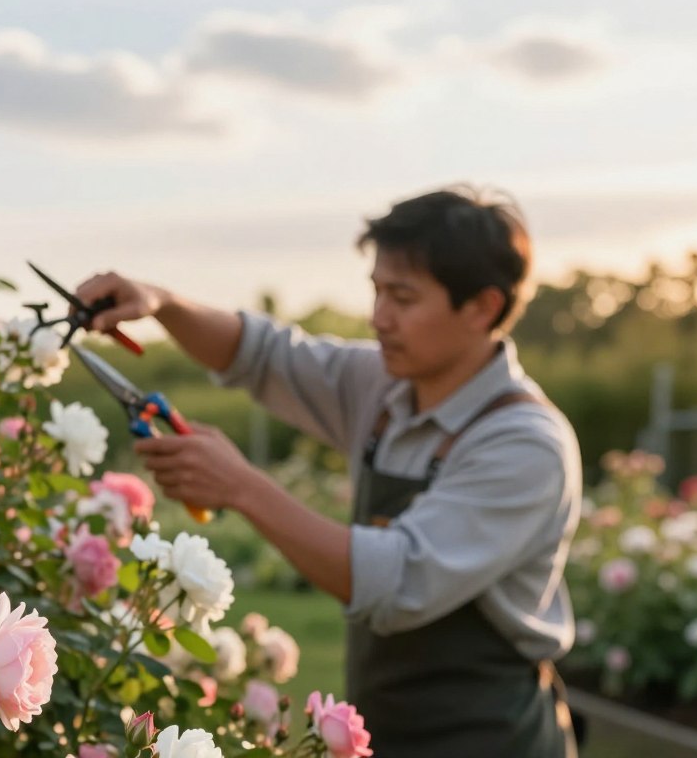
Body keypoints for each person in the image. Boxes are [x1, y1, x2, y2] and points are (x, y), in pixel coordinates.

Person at [73, 188, 582, 758]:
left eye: (403, 297)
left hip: (491, 738)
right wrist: (161, 303)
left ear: (483, 307)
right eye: (377, 291)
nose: (378, 317)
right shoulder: (387, 387)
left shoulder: (523, 445)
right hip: (391, 730)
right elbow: (261, 353)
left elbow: (395, 582)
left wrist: (241, 487)